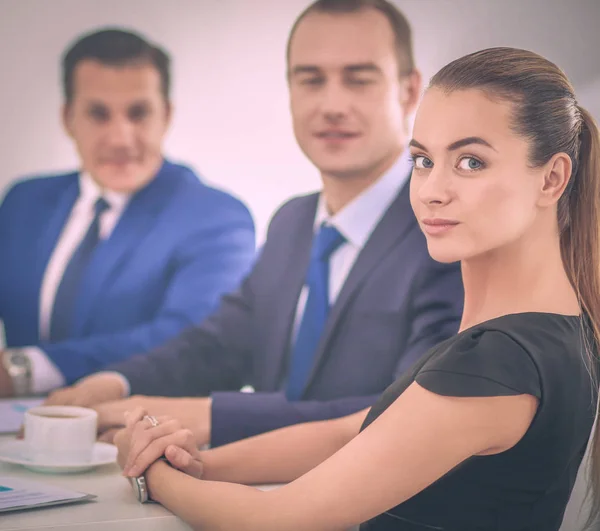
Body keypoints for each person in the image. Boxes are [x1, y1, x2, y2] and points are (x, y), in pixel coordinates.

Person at [113, 45, 600, 531]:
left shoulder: (499, 361)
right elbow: (354, 434)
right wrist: (198, 463)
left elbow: (275, 521)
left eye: (471, 162)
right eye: (423, 160)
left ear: (552, 178)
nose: (432, 189)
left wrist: (153, 474)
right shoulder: (556, 330)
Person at [44, 0, 463, 448]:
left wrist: (211, 415)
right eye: (311, 80)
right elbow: (222, 344)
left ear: (408, 90)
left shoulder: (446, 227)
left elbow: (407, 412)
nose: (332, 104)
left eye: (359, 80)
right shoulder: (294, 222)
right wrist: (116, 382)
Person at [0, 28, 256, 398]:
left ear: (165, 115)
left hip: (137, 437)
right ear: (68, 118)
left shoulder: (215, 218)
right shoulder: (24, 202)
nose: (121, 138)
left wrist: (25, 370)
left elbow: (190, 339)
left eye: (139, 114)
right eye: (98, 114)